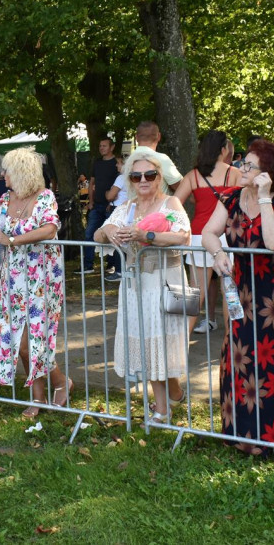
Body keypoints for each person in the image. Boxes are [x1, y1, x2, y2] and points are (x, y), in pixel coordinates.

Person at [203, 139, 274, 457]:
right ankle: (241, 434)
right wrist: (218, 252)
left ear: (268, 173)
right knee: (239, 358)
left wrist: (263, 198)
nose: (241, 168)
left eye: (249, 165)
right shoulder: (230, 197)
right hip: (243, 290)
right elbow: (209, 232)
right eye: (242, 163)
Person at [94, 147, 192, 422]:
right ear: (130, 181)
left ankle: (163, 408)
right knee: (151, 344)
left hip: (166, 282)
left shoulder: (170, 204)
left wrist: (145, 234)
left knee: (160, 344)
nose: (143, 180)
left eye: (149, 174)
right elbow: (98, 235)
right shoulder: (126, 208)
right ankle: (170, 398)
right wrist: (109, 230)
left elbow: (183, 236)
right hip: (136, 285)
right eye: (136, 177)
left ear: (159, 176)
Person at [0, 147, 70, 418]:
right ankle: (59, 382)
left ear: (21, 172)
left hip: (44, 273)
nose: (2, 174)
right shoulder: (5, 199)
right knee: (17, 338)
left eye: (7, 170)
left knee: (36, 337)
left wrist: (12, 239)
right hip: (14, 273)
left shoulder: (44, 197)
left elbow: (50, 228)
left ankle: (39, 398)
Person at [174, 130, 240, 334]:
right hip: (227, 237)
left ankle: (180, 341)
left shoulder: (193, 175)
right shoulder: (234, 173)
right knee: (230, 291)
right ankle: (232, 342)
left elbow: (174, 202)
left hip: (199, 237)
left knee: (195, 293)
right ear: (223, 150)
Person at [80, 137, 120, 275]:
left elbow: (120, 186)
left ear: (112, 147)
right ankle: (88, 265)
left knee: (111, 235)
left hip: (111, 205)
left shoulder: (117, 164)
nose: (101, 148)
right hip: (96, 205)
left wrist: (111, 202)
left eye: (104, 145)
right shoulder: (97, 163)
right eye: (100, 146)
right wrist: (90, 202)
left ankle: (112, 264)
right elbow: (92, 183)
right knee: (89, 234)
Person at [135, 121, 182, 192]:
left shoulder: (127, 161)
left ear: (136, 137)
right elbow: (181, 187)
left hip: (134, 202)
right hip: (159, 202)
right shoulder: (161, 159)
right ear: (159, 136)